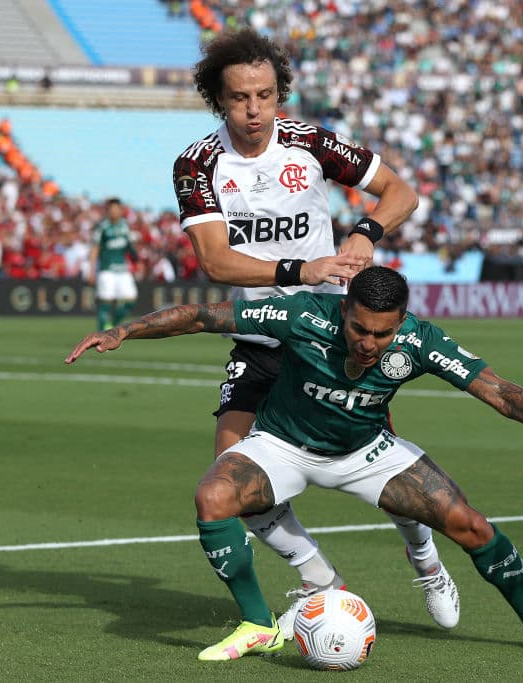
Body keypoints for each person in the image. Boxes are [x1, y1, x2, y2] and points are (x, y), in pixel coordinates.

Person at [65, 266, 523, 661]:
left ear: (401, 322)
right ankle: (259, 625)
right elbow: (202, 315)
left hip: (367, 452)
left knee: (471, 525)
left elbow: (500, 392)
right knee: (213, 496)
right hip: (281, 444)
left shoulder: (420, 341)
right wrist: (124, 330)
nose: (367, 342)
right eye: (359, 328)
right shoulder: (302, 315)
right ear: (344, 309)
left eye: (382, 333)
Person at [170, 28, 457, 638]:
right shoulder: (197, 164)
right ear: (219, 100)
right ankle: (319, 577)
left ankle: (425, 559)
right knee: (229, 477)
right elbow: (216, 262)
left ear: (280, 94)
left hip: (330, 338)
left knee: (390, 473)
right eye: (240, 98)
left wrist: (365, 233)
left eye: (265, 95)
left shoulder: (311, 143)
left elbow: (401, 192)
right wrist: (301, 269)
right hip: (260, 338)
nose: (254, 110)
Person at [89, 197, 138, 331]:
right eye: (112, 209)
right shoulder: (102, 227)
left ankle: (112, 325)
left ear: (121, 210)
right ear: (108, 211)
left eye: (117, 209)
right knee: (106, 303)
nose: (114, 212)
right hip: (107, 270)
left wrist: (136, 260)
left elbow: (129, 246)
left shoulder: (124, 226)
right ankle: (101, 334)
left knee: (131, 301)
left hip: (123, 270)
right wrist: (91, 270)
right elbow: (95, 248)